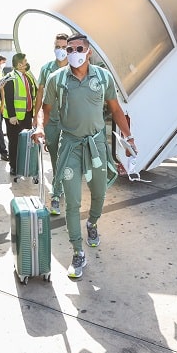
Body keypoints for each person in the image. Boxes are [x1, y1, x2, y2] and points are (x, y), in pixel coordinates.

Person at [33, 33, 137, 279]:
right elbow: (44, 110)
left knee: (99, 192)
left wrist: (128, 136)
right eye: (69, 50)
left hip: (97, 144)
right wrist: (39, 127)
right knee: (72, 201)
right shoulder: (56, 79)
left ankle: (92, 223)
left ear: (88, 51)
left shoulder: (103, 77)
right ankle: (77, 251)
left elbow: (115, 109)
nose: (73, 53)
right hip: (69, 144)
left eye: (78, 48)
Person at [33, 33, 69, 215]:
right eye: (58, 46)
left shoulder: (75, 68)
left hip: (70, 123)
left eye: (64, 47)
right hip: (52, 122)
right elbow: (40, 94)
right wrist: (36, 119)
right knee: (55, 157)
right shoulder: (47, 69)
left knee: (65, 158)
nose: (60, 50)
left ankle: (58, 190)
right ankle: (58, 186)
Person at [2, 52, 37, 176]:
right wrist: (12, 115)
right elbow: (9, 98)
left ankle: (23, 166)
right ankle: (13, 167)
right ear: (19, 64)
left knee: (24, 142)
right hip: (14, 117)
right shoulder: (10, 77)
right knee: (14, 142)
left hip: (27, 115)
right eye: (25, 61)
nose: (27, 63)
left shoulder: (28, 77)